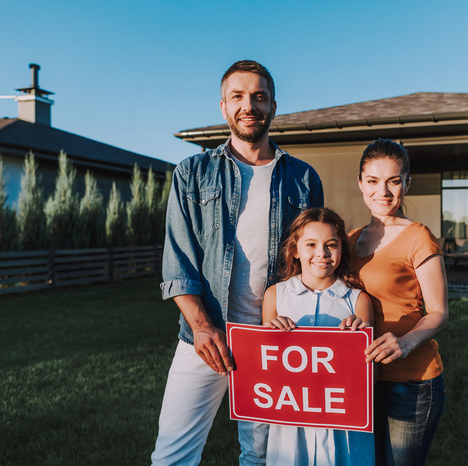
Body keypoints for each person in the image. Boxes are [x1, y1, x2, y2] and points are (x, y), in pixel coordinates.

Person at [151, 60, 324, 466]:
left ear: (274, 107)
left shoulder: (302, 178)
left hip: (274, 340)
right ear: (224, 107)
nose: (250, 105)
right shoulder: (192, 173)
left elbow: (316, 260)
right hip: (203, 338)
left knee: (262, 458)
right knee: (172, 456)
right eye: (239, 96)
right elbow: (178, 261)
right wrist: (201, 326)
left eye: (259, 96)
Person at [348, 139, 448, 466]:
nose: (384, 192)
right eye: (374, 181)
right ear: (361, 183)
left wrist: (405, 343)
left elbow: (439, 312)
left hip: (411, 382)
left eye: (394, 181)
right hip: (360, 380)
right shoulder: (348, 239)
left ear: (407, 183)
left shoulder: (419, 237)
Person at [262, 207, 375, 466]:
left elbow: (371, 379)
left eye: (331, 245)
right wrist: (271, 337)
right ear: (295, 250)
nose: (321, 253)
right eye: (311, 244)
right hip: (291, 429)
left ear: (341, 249)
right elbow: (264, 373)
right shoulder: (275, 296)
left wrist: (359, 346)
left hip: (342, 430)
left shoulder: (358, 301)